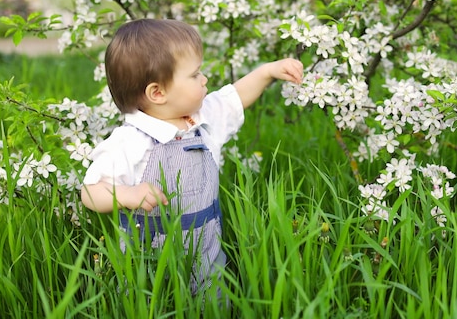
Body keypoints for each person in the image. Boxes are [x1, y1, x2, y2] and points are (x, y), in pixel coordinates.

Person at [80, 18, 303, 294]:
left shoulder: (202, 118)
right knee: (153, 304)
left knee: (215, 304)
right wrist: (125, 194)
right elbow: (90, 192)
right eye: (195, 74)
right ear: (158, 92)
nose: (204, 79)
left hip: (209, 258)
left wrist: (268, 72)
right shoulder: (130, 141)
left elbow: (235, 97)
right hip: (150, 267)